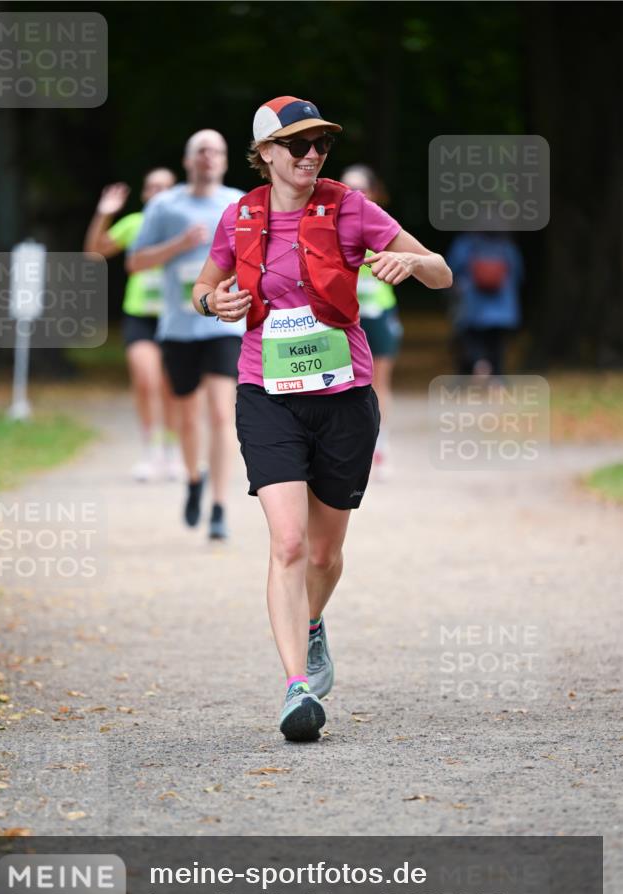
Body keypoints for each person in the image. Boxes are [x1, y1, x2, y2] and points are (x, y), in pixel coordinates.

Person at [193, 96, 452, 741]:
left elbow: (442, 273)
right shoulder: (239, 217)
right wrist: (213, 302)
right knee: (287, 543)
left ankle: (312, 625)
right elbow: (201, 290)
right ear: (267, 155)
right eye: (299, 144)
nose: (313, 155)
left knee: (326, 551)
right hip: (266, 394)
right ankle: (295, 689)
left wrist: (411, 263)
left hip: (344, 397)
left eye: (321, 146)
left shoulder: (350, 208)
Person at [127, 131, 244, 540]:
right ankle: (194, 479)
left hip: (224, 324)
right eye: (201, 151)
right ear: (187, 159)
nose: (209, 157)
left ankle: (219, 506)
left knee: (220, 413)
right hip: (178, 328)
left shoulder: (240, 204)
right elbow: (135, 262)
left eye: (216, 151)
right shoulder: (164, 205)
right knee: (189, 416)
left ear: (226, 161)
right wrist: (178, 245)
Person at [84, 169, 180, 481]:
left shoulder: (185, 223)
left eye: (164, 187)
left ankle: (174, 451)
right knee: (146, 380)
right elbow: (94, 252)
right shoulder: (134, 224)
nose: (158, 192)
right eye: (152, 187)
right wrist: (104, 213)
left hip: (175, 316)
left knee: (172, 387)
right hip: (140, 314)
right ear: (144, 194)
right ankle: (152, 452)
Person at [340, 165, 404, 478]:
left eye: (361, 188)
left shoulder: (381, 224)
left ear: (373, 193)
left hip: (378, 313)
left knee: (379, 383)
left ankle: (381, 447)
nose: (355, 194)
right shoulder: (330, 225)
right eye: (348, 188)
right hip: (345, 317)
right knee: (346, 384)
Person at [446, 230, 524, 380]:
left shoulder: (465, 243)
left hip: (473, 305)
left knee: (472, 339)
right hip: (503, 307)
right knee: (497, 344)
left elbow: (451, 269)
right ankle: (497, 379)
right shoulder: (507, 245)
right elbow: (519, 273)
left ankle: (479, 364)